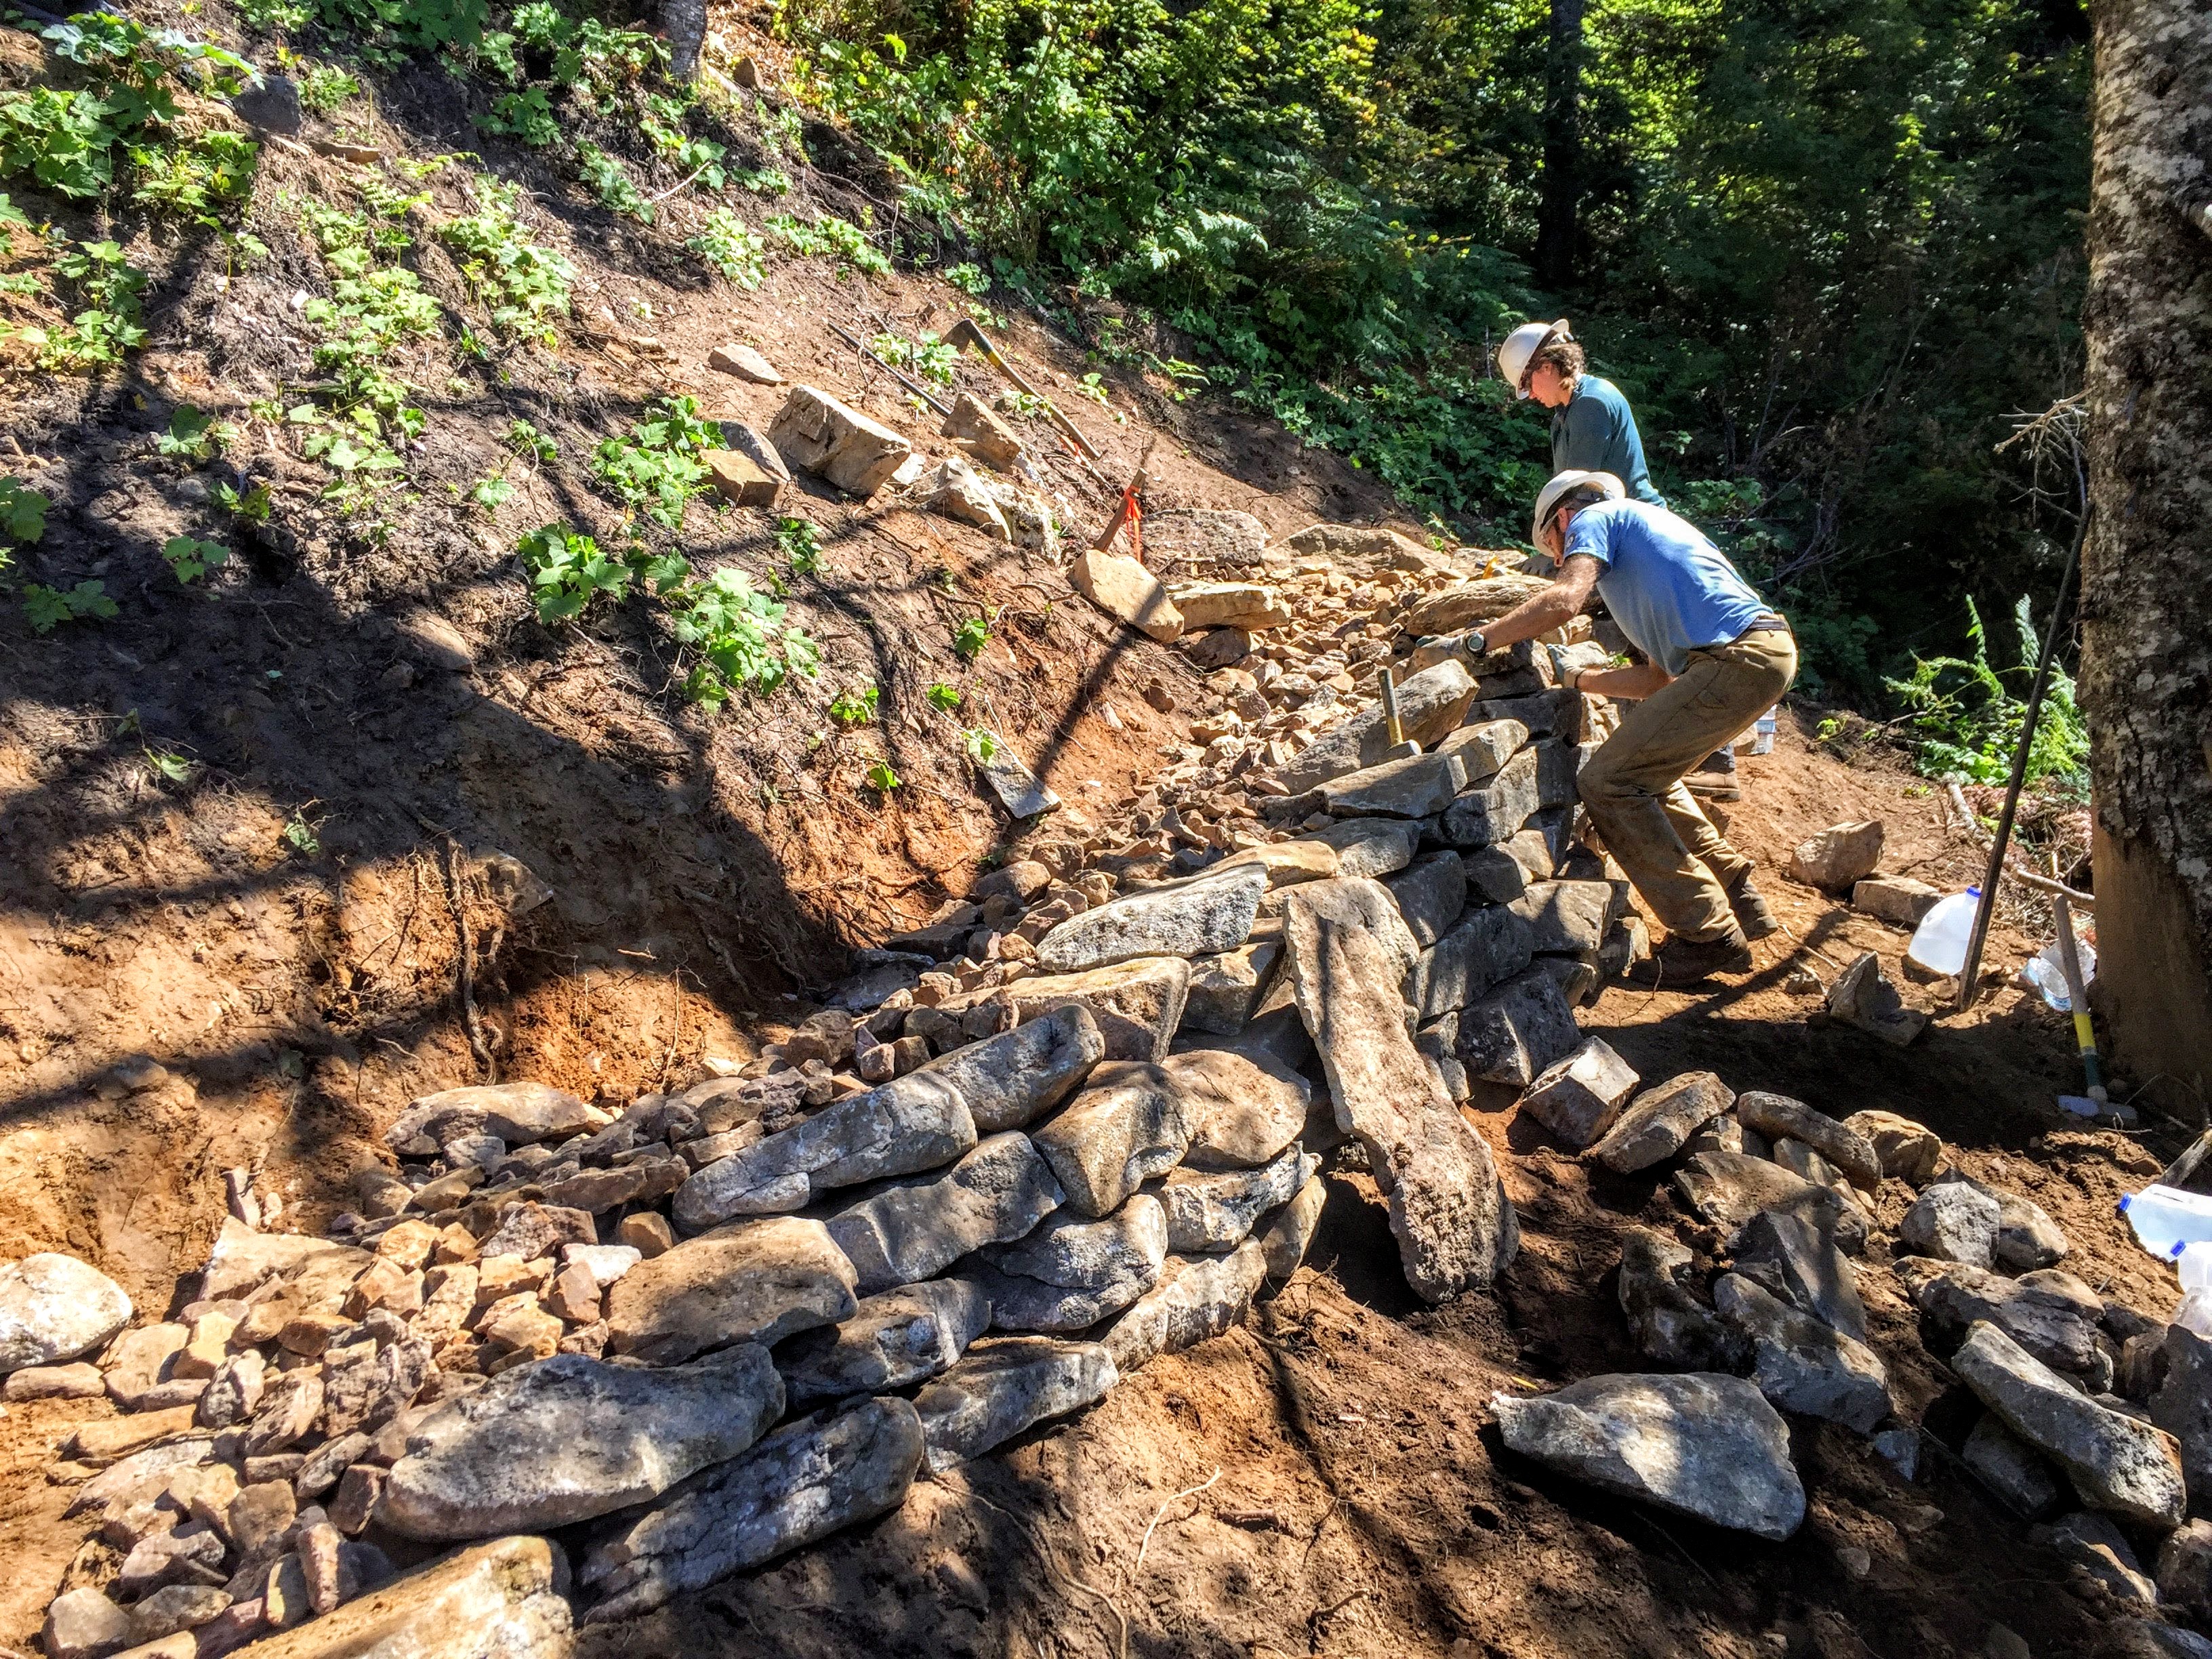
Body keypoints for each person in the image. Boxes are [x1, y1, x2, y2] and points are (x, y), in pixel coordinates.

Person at [1461, 470, 1797, 984]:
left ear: (1565, 517)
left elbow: (1564, 600)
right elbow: (1657, 680)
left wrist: (1478, 640)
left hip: (1735, 659)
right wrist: (1581, 679)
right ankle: (1739, 898)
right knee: (1649, 776)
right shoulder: (1645, 546)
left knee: (1609, 782)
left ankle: (1707, 933)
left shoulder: (1596, 517)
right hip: (1758, 653)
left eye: (1553, 542)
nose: (1557, 557)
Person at [1496, 318, 1745, 801]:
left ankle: (1713, 761)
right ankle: (1675, 751)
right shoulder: (1567, 412)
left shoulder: (1591, 404)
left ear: (1547, 366)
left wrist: (1555, 563)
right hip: (1611, 532)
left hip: (1628, 534)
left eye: (1528, 382)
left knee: (1663, 633)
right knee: (1645, 636)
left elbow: (1584, 494)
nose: (1530, 394)